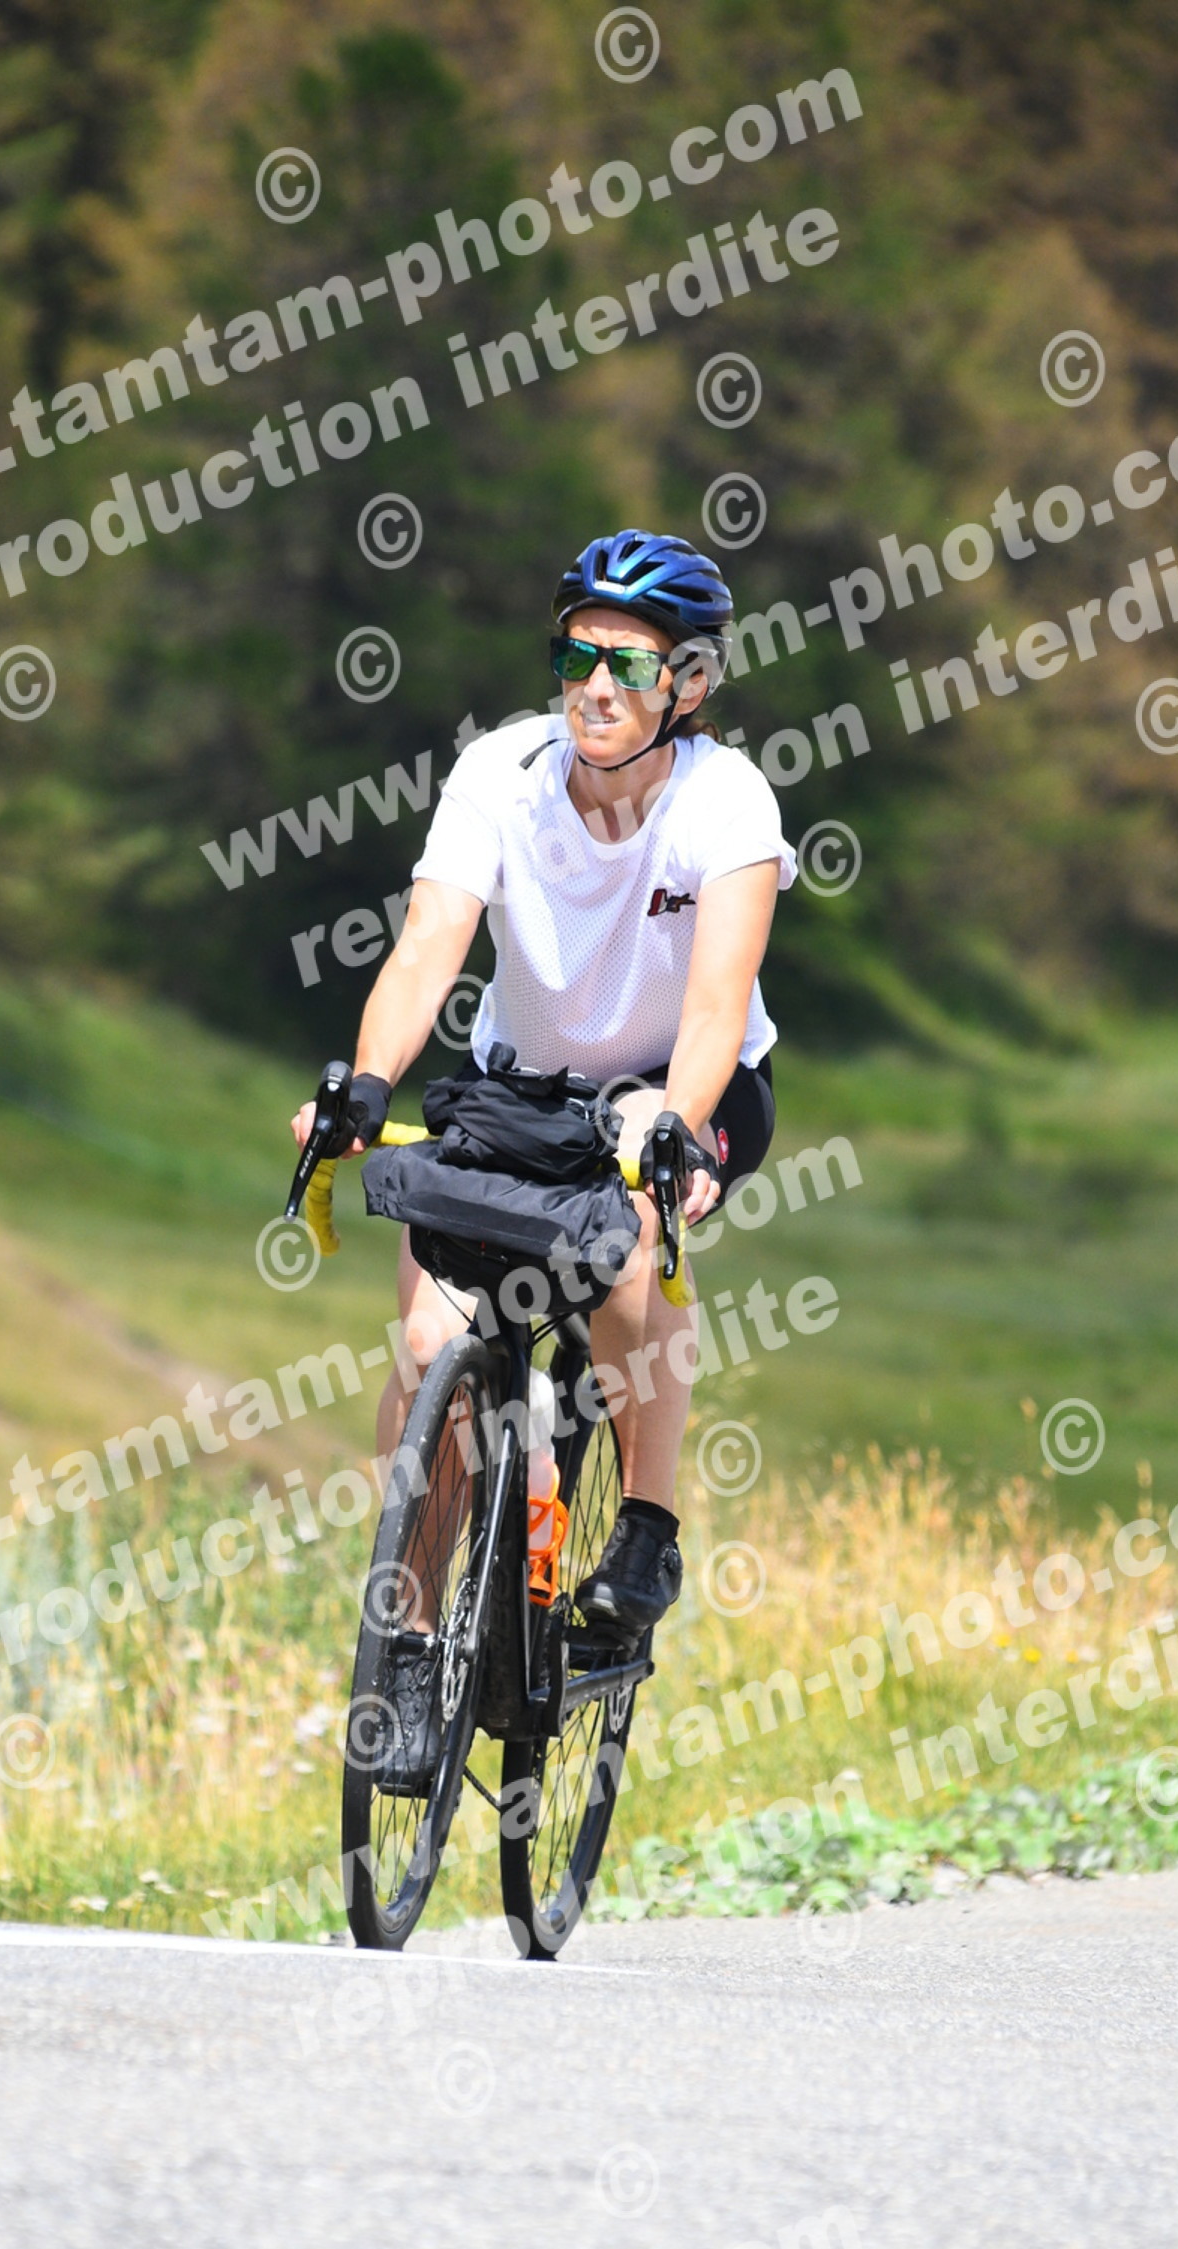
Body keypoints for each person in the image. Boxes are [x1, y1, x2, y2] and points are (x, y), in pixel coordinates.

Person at [292, 527, 796, 1640]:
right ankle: (412, 1647)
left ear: (689, 683)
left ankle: (647, 1528)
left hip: (681, 1083)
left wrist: (678, 1123)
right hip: (519, 1083)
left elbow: (717, 1006)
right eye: (578, 657)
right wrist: (368, 1082)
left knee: (628, 1241)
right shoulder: (500, 774)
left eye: (629, 663)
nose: (596, 687)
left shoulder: (727, 802)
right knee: (428, 1348)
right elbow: (426, 948)